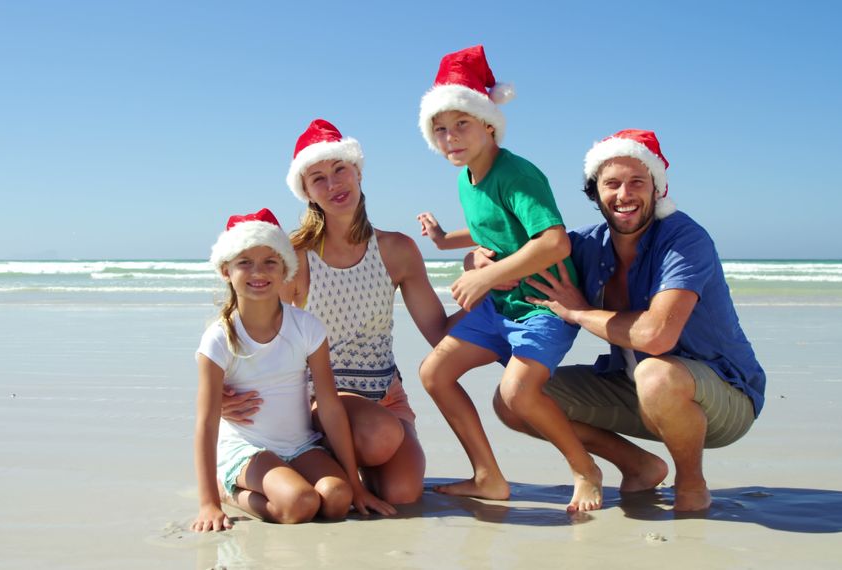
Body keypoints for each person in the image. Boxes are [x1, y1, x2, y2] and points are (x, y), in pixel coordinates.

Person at [491, 129, 766, 511]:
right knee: (514, 398)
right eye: (612, 183)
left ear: (657, 189)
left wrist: (580, 312)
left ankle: (690, 486)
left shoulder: (685, 240)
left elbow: (657, 336)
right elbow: (517, 252)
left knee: (656, 374)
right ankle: (638, 466)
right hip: (631, 386)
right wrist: (478, 263)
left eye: (637, 182)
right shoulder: (587, 245)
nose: (624, 195)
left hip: (723, 396)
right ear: (595, 191)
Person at [220, 119, 459, 505]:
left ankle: (338, 466)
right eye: (318, 178)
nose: (333, 184)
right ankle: (254, 472)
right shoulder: (295, 257)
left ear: (358, 172)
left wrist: (489, 290)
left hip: (387, 397)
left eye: (339, 170)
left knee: (404, 494)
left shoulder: (397, 249)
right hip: (321, 400)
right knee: (379, 437)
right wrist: (220, 390)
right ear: (306, 192)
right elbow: (250, 326)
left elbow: (438, 331)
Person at [414, 45, 603, 513]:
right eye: (440, 129)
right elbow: (491, 228)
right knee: (434, 373)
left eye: (462, 124)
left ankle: (585, 469)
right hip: (502, 308)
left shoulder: (516, 173)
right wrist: (445, 241)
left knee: (517, 394)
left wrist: (485, 277)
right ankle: (488, 476)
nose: (451, 137)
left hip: (543, 305)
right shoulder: (467, 178)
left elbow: (554, 242)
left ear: (488, 123)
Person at [191, 208, 393, 530]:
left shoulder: (307, 327)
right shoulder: (219, 337)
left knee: (338, 499)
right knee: (300, 503)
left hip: (300, 444)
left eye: (270, 261)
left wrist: (355, 485)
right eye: (245, 262)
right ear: (226, 271)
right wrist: (208, 504)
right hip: (247, 449)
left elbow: (329, 406)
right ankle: (227, 491)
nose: (259, 272)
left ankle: (309, 484)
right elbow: (205, 422)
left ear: (286, 269)